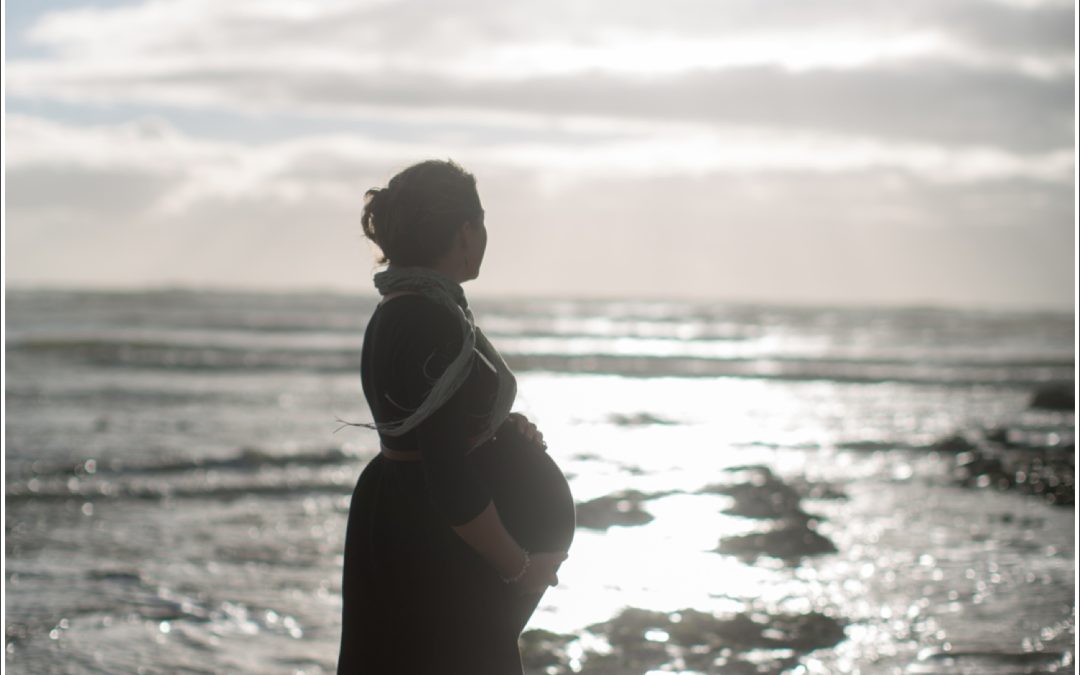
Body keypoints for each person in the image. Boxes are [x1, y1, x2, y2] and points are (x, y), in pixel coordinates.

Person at [337, 160, 576, 674]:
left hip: (408, 519)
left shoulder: (409, 307)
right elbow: (446, 473)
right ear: (466, 231)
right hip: (434, 542)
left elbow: (436, 427)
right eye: (481, 223)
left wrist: (494, 430)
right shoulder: (428, 321)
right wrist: (518, 568)